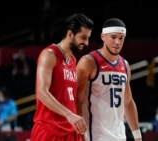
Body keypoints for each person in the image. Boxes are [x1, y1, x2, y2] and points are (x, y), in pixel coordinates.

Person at [30, 13, 94, 141]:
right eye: (83, 37)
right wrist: (69, 115)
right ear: (70, 34)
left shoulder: (73, 60)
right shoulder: (49, 55)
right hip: (49, 129)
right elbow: (42, 92)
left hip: (71, 129)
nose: (86, 43)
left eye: (88, 38)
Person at [76, 18, 142, 141]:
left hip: (119, 135)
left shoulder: (125, 64)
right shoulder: (88, 62)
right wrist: (80, 136)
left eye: (121, 38)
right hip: (95, 136)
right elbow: (76, 102)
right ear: (103, 37)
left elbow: (127, 102)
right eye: (113, 37)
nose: (117, 42)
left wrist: (138, 136)